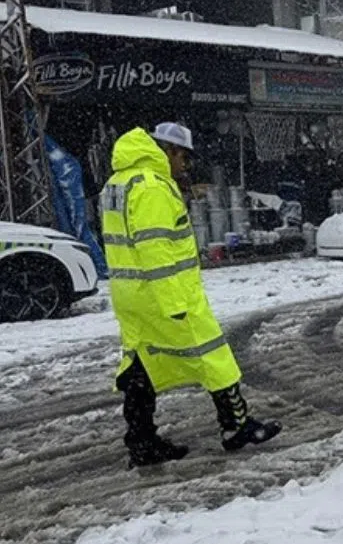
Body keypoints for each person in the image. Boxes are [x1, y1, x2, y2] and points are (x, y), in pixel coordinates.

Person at [99, 122, 281, 468]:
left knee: (142, 365)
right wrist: (175, 304)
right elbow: (155, 250)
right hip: (163, 292)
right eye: (183, 157)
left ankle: (141, 441)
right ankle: (236, 426)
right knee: (215, 356)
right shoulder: (151, 186)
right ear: (167, 151)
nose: (185, 165)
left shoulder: (118, 182)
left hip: (131, 292)